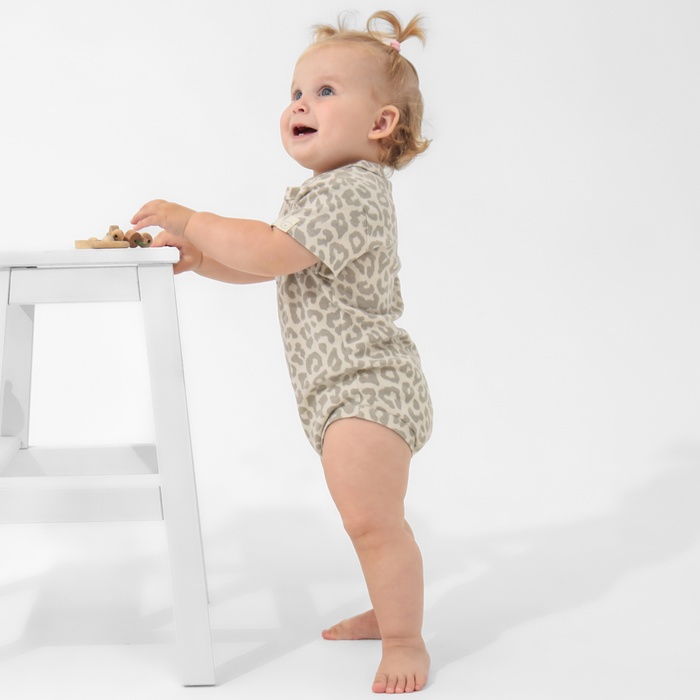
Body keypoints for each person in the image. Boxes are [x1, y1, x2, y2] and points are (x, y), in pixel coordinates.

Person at [131, 10, 433, 694]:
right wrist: (203, 259)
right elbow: (276, 265)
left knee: (372, 521)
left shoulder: (352, 192)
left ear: (380, 123)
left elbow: (269, 250)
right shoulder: (324, 194)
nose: (300, 104)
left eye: (325, 92)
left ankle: (405, 638)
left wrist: (192, 220)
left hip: (369, 389)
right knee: (371, 520)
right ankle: (390, 608)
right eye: (296, 92)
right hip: (342, 390)